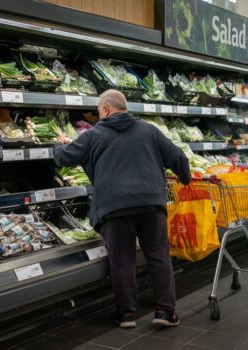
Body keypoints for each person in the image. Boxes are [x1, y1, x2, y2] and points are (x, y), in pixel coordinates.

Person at [54, 89, 191, 329]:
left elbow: (64, 158)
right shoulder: (149, 130)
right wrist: (186, 179)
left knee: (122, 261)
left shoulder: (92, 135)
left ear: (105, 110)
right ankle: (166, 311)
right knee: (159, 257)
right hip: (151, 204)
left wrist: (58, 145)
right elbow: (178, 157)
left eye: (98, 111)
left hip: (114, 208)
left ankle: (127, 314)